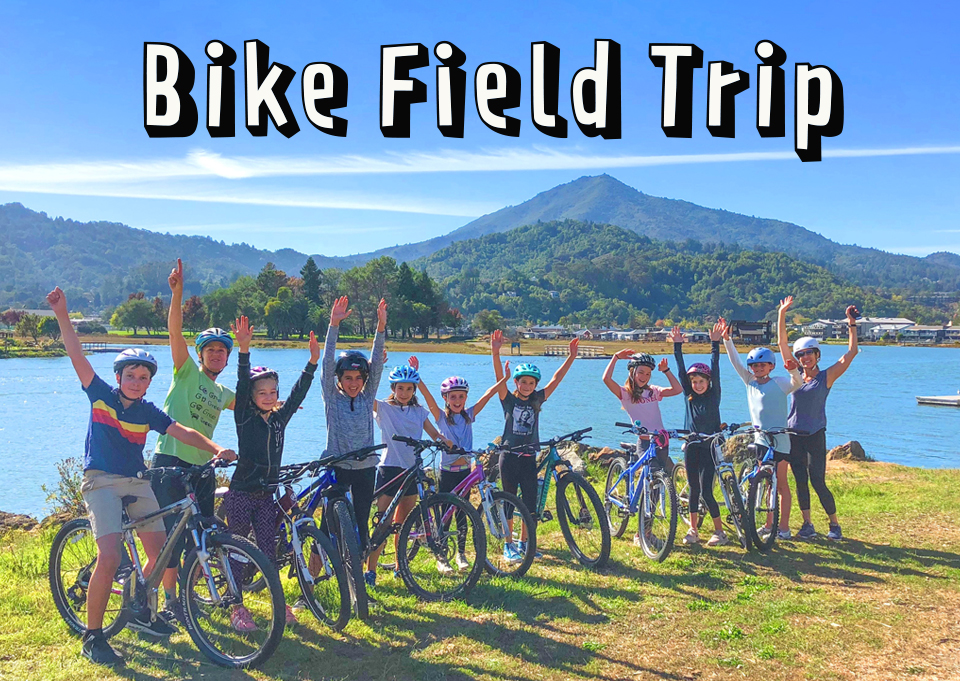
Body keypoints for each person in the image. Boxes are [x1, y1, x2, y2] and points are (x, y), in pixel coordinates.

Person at [46, 286, 235, 665]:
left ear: (150, 382)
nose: (136, 381)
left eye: (143, 377)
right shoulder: (100, 394)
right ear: (119, 377)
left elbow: (183, 431)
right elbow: (77, 354)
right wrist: (63, 315)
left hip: (138, 481)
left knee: (162, 553)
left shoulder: (148, 411)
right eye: (130, 375)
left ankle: (140, 612)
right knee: (111, 556)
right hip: (101, 480)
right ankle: (93, 635)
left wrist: (217, 449)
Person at [152, 258, 237, 624]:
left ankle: (189, 593)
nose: (217, 355)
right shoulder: (185, 372)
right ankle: (171, 600)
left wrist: (283, 398)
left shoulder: (222, 392)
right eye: (211, 350)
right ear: (200, 354)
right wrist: (177, 295)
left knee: (200, 534)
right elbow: (175, 332)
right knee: (171, 539)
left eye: (223, 351)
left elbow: (258, 404)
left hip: (203, 468)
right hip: (170, 461)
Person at [223, 315, 319, 631]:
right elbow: (239, 381)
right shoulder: (244, 419)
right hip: (240, 494)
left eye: (272, 391)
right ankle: (236, 607)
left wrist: (312, 364)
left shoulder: (278, 420)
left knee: (268, 551)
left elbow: (298, 396)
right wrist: (244, 350)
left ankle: (279, 604)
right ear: (251, 397)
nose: (268, 396)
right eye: (261, 392)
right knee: (238, 553)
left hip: (267, 496)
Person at [777, 296, 860, 541]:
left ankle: (834, 525)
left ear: (817, 354)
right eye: (801, 354)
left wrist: (851, 324)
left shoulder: (827, 377)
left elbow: (851, 352)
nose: (805, 358)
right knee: (800, 481)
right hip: (794, 435)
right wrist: (782, 313)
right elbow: (781, 342)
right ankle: (807, 524)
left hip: (815, 435)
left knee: (818, 481)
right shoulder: (794, 375)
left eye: (809, 353)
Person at [491, 329, 578, 556]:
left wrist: (571, 357)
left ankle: (524, 543)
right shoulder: (508, 400)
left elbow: (556, 379)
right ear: (516, 383)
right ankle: (508, 544)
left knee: (530, 505)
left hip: (529, 458)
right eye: (523, 382)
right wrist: (495, 352)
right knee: (509, 502)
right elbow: (498, 379)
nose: (528, 386)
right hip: (509, 457)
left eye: (531, 383)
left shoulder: (537, 400)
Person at [319, 295, 387, 583]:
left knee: (361, 524)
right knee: (326, 527)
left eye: (358, 378)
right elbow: (326, 365)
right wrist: (333, 325)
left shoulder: (368, 395)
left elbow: (377, 366)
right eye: (347, 378)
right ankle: (308, 583)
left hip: (365, 470)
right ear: (339, 380)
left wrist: (381, 327)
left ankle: (355, 580)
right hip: (337, 467)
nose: (353, 383)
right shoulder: (332, 399)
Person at [365, 358, 452, 582]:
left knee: (402, 525)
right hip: (389, 469)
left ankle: (399, 566)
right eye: (400, 388)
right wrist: (371, 365)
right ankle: (370, 570)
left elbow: (434, 433)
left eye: (409, 388)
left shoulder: (419, 412)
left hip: (412, 469)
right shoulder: (383, 408)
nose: (404, 392)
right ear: (393, 388)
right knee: (382, 522)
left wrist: (444, 441)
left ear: (414, 390)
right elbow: (363, 392)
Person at [418, 365, 512, 563]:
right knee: (446, 514)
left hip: (465, 473)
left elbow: (487, 395)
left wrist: (504, 380)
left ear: (466, 398)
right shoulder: (441, 418)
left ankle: (461, 554)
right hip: (447, 473)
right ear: (445, 398)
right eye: (453, 397)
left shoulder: (469, 415)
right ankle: (441, 556)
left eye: (461, 397)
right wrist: (417, 377)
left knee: (463, 513)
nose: (457, 401)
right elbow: (428, 399)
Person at [722, 323, 802, 540]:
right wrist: (727, 340)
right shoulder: (749, 381)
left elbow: (799, 382)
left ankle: (783, 527)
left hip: (780, 440)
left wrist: (792, 367)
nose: (757, 369)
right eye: (754, 366)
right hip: (761, 440)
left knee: (781, 483)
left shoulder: (780, 382)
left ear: (770, 367)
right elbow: (736, 363)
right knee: (765, 481)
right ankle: (768, 524)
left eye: (762, 365)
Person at [602, 348, 683, 546]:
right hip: (645, 441)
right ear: (632, 372)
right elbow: (606, 379)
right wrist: (614, 357)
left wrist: (667, 371)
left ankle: (645, 530)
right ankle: (642, 534)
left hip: (661, 441)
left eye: (648, 373)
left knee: (657, 484)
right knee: (651, 482)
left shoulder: (653, 391)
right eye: (641, 372)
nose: (644, 377)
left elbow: (678, 389)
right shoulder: (625, 393)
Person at [672, 322, 727, 547]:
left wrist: (715, 343)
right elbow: (680, 371)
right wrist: (677, 347)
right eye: (694, 382)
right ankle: (693, 530)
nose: (697, 385)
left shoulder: (713, 396)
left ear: (708, 382)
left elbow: (715, 367)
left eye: (701, 381)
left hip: (710, 447)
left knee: (706, 491)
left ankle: (719, 532)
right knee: (693, 489)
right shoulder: (688, 395)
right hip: (692, 446)